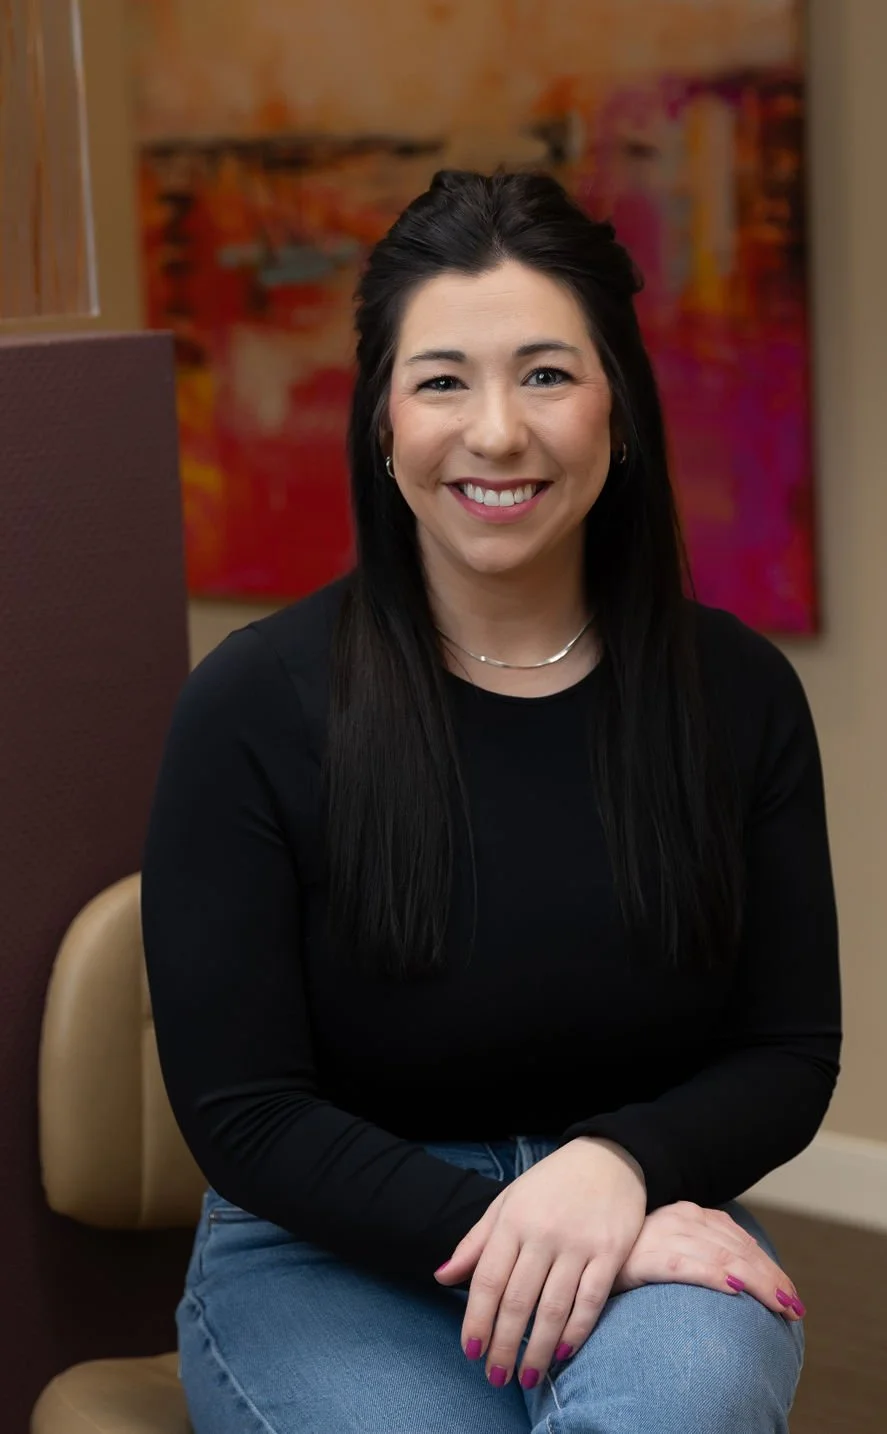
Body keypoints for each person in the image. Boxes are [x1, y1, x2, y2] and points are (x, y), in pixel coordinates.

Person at [142, 168, 840, 1434]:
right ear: (382, 420)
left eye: (547, 374)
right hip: (321, 1248)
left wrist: (612, 1175)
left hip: (634, 1202)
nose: (498, 433)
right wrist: (535, 1233)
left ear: (617, 408)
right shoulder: (251, 706)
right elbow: (242, 1110)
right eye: (444, 379)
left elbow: (786, 1052)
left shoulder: (736, 694)